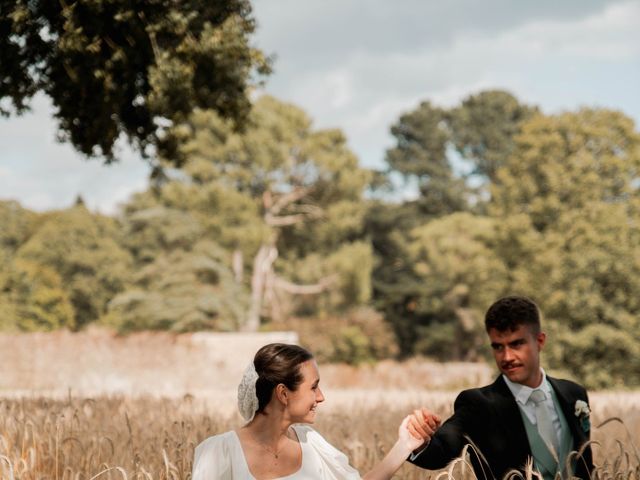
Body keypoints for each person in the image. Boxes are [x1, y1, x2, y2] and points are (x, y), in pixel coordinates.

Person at [408, 295, 594, 480]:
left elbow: (586, 466)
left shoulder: (574, 394)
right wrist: (420, 441)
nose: (507, 357)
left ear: (540, 341)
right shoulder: (477, 404)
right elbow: (440, 451)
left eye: (516, 344)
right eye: (498, 347)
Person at [192, 342, 440, 479]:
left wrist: (405, 445)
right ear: (283, 393)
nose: (321, 397)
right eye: (314, 387)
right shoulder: (218, 452)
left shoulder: (312, 444)